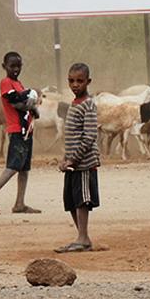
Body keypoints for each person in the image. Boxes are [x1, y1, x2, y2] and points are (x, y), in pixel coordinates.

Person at [0, 51, 41, 215]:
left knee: (24, 168)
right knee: (14, 166)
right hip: (17, 130)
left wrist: (30, 104)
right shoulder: (6, 83)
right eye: (12, 66)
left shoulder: (18, 84)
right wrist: (32, 105)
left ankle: (19, 204)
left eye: (18, 66)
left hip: (26, 130)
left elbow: (23, 101)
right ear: (4, 67)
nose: (15, 69)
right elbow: (16, 103)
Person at [55, 62, 100, 253]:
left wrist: (73, 159)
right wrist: (66, 158)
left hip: (84, 163)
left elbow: (89, 136)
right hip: (73, 162)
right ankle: (83, 237)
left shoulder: (88, 105)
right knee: (72, 200)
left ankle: (82, 238)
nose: (75, 85)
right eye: (71, 81)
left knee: (82, 200)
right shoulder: (74, 105)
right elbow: (71, 136)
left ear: (88, 82)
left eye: (80, 81)